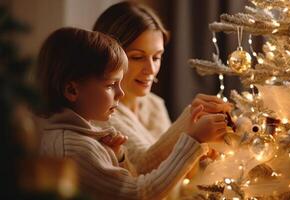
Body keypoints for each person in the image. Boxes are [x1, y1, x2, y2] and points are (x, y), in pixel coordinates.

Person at [36, 27, 228, 200]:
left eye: (157, 57)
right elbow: (139, 194)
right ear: (72, 91)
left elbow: (122, 188)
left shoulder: (84, 136)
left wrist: (118, 159)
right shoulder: (74, 147)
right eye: (111, 85)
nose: (120, 93)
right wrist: (193, 140)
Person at [92, 1, 232, 181]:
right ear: (109, 56)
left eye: (156, 57)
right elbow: (142, 171)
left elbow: (175, 171)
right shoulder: (99, 115)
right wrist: (189, 120)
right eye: (137, 57)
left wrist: (204, 152)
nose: (150, 69)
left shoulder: (154, 104)